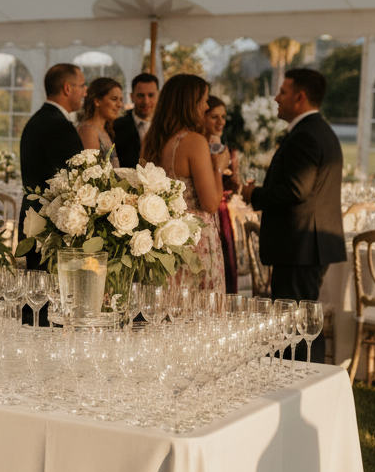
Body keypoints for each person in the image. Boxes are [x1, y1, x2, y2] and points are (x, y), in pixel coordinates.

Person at [242, 69, 346, 363]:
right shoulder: (319, 130)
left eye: (283, 92)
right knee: (303, 321)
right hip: (306, 243)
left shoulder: (306, 135)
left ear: (300, 97)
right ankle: (310, 379)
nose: (276, 98)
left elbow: (296, 191)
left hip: (300, 244)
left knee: (295, 324)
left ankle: (299, 379)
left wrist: (255, 195)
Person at [140, 73, 225, 293]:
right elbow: (211, 203)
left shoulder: (151, 141)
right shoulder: (193, 141)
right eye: (203, 100)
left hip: (163, 240)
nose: (206, 106)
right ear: (190, 103)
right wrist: (218, 166)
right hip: (194, 239)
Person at [19, 63, 86, 273]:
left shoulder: (39, 120)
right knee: (46, 298)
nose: (85, 91)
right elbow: (74, 176)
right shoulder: (57, 125)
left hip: (36, 223)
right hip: (49, 229)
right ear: (67, 88)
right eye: (82, 86)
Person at [205, 96, 240, 293]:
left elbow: (235, 183)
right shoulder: (199, 146)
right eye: (214, 117)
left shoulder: (224, 147)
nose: (220, 122)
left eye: (223, 117)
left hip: (223, 210)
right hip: (212, 208)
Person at [114, 73, 159, 169]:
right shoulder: (116, 126)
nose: (146, 101)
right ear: (132, 96)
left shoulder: (166, 126)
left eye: (151, 95)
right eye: (140, 96)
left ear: (158, 96)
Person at [77, 77, 123, 164]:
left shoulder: (104, 129)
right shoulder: (89, 131)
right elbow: (92, 171)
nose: (120, 104)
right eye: (114, 99)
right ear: (97, 101)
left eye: (121, 99)